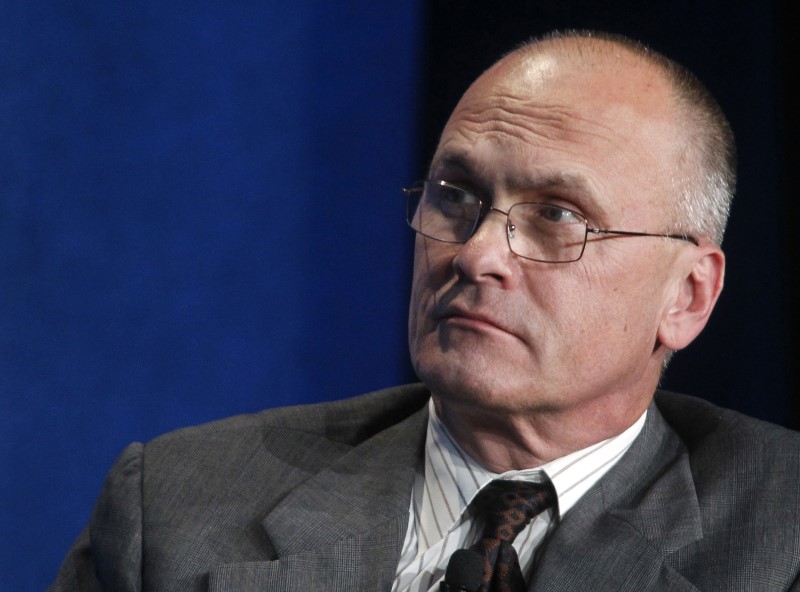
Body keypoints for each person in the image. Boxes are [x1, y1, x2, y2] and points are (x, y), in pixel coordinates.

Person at [50, 30, 800, 592]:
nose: (477, 255)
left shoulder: (780, 534)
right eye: (457, 197)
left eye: (557, 217)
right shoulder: (175, 510)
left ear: (688, 296)